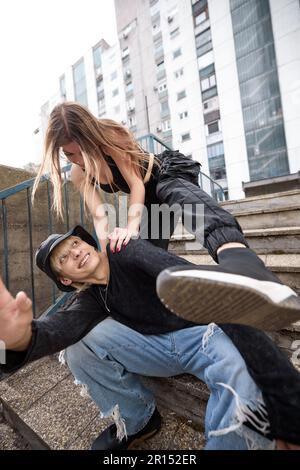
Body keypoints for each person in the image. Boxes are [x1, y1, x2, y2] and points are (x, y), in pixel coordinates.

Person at [1, 226, 300, 451]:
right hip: (158, 349)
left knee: (242, 379)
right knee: (77, 345)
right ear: (65, 279)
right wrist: (18, 341)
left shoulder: (126, 251)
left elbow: (195, 280)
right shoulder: (91, 299)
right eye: (64, 257)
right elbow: (58, 329)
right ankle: (139, 420)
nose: (76, 252)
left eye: (76, 243)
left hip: (204, 335)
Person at [31, 101, 247, 255]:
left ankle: (233, 251)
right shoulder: (79, 173)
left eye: (83, 151)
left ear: (91, 138)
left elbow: (135, 183)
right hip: (149, 201)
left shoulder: (110, 139)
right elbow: (99, 216)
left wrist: (131, 228)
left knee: (178, 195)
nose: (79, 160)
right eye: (69, 154)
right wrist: (105, 253)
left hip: (166, 173)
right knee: (142, 251)